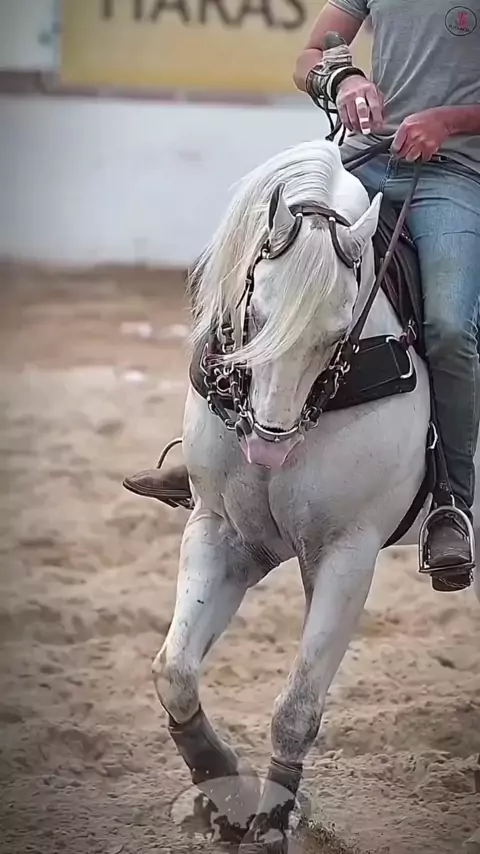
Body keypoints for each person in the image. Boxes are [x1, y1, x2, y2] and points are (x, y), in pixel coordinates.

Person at [124, 0, 480, 586]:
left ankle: (451, 502)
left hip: (456, 178)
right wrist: (344, 79)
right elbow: (309, 55)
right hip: (363, 159)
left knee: (448, 328)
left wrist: (448, 122)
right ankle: (208, 460)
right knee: (244, 266)